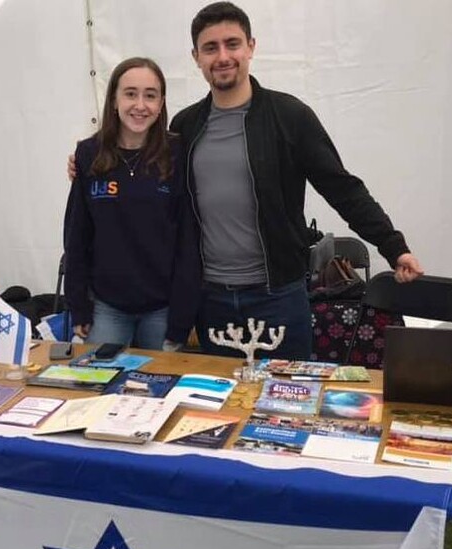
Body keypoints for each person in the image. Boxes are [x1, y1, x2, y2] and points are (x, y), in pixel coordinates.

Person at [169, 2, 423, 360]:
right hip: (211, 300)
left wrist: (394, 246)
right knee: (224, 403)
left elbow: (342, 188)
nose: (223, 56)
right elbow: (151, 187)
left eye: (232, 43)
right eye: (211, 47)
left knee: (290, 403)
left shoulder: (290, 117)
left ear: (251, 47)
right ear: (196, 56)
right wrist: (90, 167)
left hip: (278, 297)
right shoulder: (185, 126)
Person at [63, 57, 200, 351]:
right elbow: (76, 236)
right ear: (114, 99)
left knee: (159, 392)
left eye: (150, 95)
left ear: (161, 103)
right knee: (98, 390)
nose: (140, 105)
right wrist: (78, 305)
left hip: (163, 310)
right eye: (130, 93)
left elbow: (188, 240)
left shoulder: (178, 152)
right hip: (106, 309)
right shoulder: (88, 154)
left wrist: (182, 317)